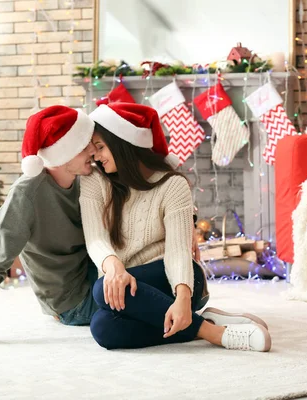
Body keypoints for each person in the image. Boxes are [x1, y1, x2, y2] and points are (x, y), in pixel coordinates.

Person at [80, 103, 272, 351]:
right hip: (127, 286)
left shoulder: (172, 185)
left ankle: (214, 334)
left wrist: (182, 296)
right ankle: (207, 327)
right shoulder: (94, 181)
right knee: (104, 328)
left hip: (175, 277)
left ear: (122, 143)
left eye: (101, 147)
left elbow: (178, 251)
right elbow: (95, 238)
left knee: (100, 289)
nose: (95, 156)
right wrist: (114, 266)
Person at [0, 105, 101, 350]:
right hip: (72, 302)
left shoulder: (85, 179)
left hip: (93, 275)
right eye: (83, 145)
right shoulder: (27, 195)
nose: (93, 150)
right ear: (63, 154)